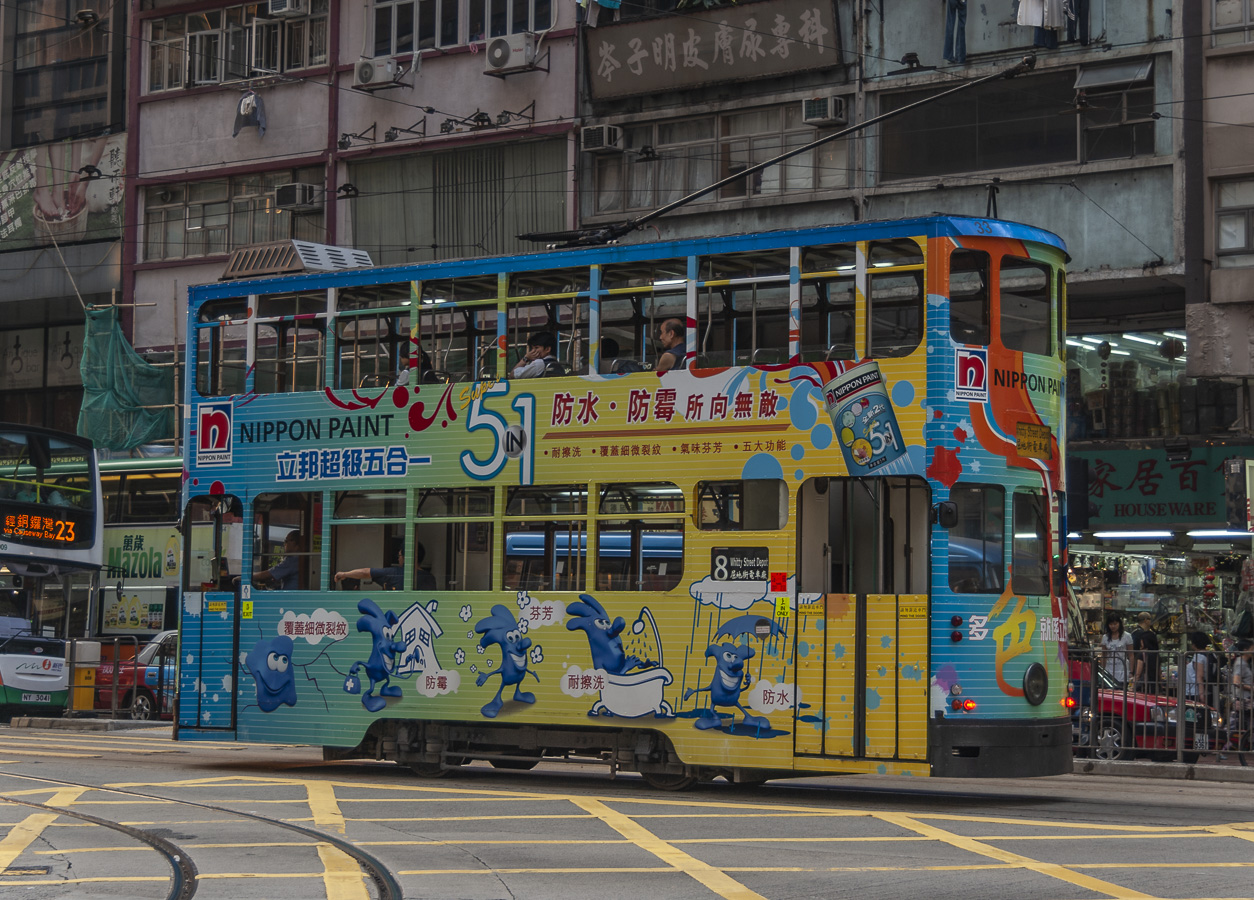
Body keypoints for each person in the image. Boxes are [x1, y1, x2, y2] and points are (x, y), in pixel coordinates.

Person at [1226, 639, 1253, 753]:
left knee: (1238, 724)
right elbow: (1236, 681)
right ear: (1245, 650)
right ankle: (1224, 746)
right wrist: (1251, 688)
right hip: (1242, 699)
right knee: (1233, 725)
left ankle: (1245, 745)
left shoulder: (1246, 663)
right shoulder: (1240, 663)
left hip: (1246, 699)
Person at [336, 547, 404, 591]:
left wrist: (344, 574)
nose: (398, 559)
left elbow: (365, 573)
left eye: (399, 556)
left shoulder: (395, 573)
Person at [1100, 612, 1133, 685]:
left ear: (1119, 624)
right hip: (1109, 670)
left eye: (1115, 624)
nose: (1113, 626)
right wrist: (1102, 671)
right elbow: (1104, 656)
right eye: (1111, 624)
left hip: (1122, 670)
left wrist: (1131, 671)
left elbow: (1131, 655)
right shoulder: (1105, 637)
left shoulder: (1127, 636)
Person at [1131, 611, 1160, 694]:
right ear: (1145, 620)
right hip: (1142, 665)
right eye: (1150, 619)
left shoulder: (1135, 632)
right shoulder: (1141, 633)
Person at [1185, 631, 1211, 700]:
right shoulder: (1210, 654)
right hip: (1207, 691)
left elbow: (1200, 676)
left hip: (1195, 693)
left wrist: (1201, 694)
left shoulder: (1199, 656)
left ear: (1194, 644)